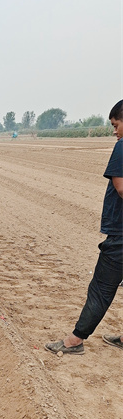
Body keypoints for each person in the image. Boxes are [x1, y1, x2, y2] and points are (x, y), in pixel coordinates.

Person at [45, 100, 123, 355]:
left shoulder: (122, 147)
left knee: (101, 288)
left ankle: (75, 340)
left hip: (121, 233)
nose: (115, 131)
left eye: (116, 125)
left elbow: (120, 188)